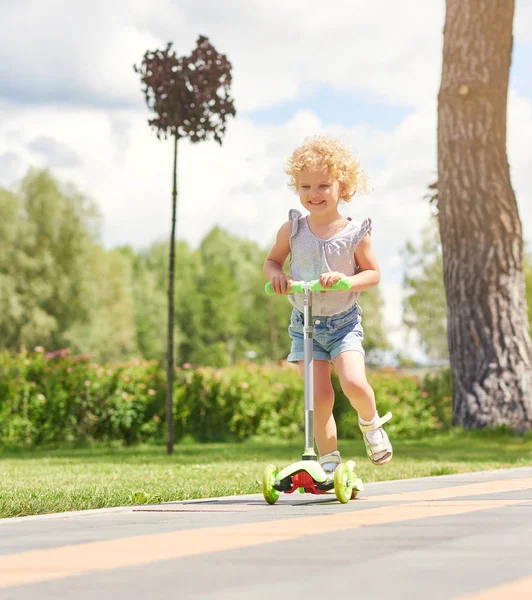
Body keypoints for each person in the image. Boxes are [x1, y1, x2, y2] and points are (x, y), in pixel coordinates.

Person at [263, 135, 393, 475]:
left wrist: (347, 280)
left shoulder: (353, 233)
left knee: (353, 383)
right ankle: (329, 461)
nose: (314, 193)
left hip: (343, 324)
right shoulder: (292, 230)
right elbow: (272, 262)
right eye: (306, 186)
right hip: (304, 324)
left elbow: (374, 273)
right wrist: (277, 276)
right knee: (318, 397)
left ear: (343, 186)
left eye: (323, 185)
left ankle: (370, 423)